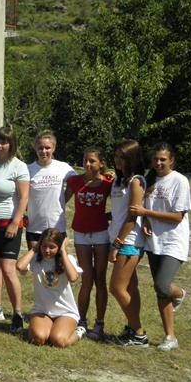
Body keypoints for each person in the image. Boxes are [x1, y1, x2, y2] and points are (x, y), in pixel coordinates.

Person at [131, 142, 190, 352]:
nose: (158, 163)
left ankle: (179, 293)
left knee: (163, 286)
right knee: (160, 291)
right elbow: (145, 208)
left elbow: (177, 216)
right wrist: (146, 220)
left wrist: (146, 214)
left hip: (174, 241)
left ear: (171, 160)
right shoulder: (149, 180)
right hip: (154, 242)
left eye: (163, 159)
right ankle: (170, 337)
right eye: (155, 159)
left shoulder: (180, 181)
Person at [0, 126, 29, 333]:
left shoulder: (19, 166)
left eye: (4, 142)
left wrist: (14, 222)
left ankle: (17, 313)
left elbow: (24, 198)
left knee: (8, 269)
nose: (0, 145)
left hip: (10, 223)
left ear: (12, 145)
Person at [65, 146, 112, 341]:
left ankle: (99, 323)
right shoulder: (75, 181)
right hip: (81, 234)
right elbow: (60, 201)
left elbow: (122, 204)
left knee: (100, 278)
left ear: (101, 163)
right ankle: (81, 321)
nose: (87, 164)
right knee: (86, 279)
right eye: (85, 160)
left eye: (92, 161)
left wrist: (109, 216)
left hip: (101, 234)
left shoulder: (108, 183)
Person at [108, 139, 148, 347]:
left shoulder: (136, 181)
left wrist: (117, 243)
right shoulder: (120, 180)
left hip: (129, 241)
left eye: (122, 157)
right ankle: (132, 329)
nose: (118, 161)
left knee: (116, 288)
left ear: (132, 158)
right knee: (131, 287)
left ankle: (139, 333)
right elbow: (118, 212)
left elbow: (132, 216)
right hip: (117, 237)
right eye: (116, 156)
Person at [16, 229, 85, 348]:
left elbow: (73, 277)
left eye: (52, 247)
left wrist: (63, 252)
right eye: (44, 246)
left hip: (65, 312)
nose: (47, 250)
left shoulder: (67, 258)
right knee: (38, 338)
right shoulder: (36, 258)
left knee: (58, 341)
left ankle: (78, 333)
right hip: (42, 311)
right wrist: (35, 248)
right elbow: (20, 266)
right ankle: (47, 328)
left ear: (59, 246)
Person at [26, 130, 75, 252]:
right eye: (40, 148)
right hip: (35, 227)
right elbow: (19, 194)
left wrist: (63, 199)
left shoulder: (63, 167)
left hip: (57, 225)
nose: (44, 151)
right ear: (36, 148)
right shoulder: (27, 169)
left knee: (58, 262)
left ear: (54, 148)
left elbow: (77, 182)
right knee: (35, 261)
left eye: (47, 148)